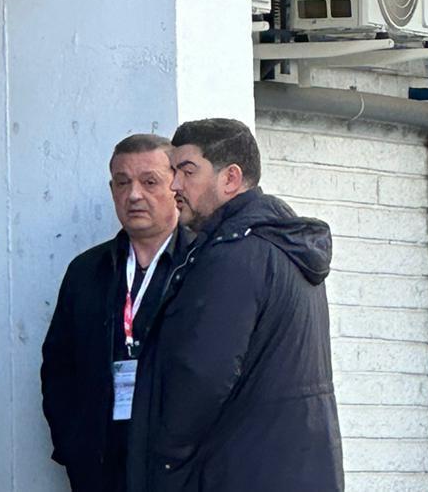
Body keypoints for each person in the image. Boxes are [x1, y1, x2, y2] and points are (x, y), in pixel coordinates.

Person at [126, 118, 344, 492]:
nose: (175, 185)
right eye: (174, 171)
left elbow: (203, 374)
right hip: (290, 467)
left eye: (187, 171)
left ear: (230, 178)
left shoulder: (233, 257)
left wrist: (165, 459)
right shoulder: (283, 246)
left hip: (240, 470)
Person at [41, 134, 195, 492]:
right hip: (100, 465)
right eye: (123, 183)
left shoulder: (201, 265)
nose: (134, 195)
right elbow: (58, 366)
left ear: (176, 185)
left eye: (149, 181)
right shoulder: (86, 271)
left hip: (176, 470)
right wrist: (72, 445)